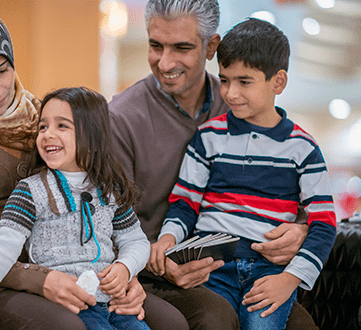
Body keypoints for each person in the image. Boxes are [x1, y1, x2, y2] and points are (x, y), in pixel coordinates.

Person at [0, 4, 187, 330]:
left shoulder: (44, 121)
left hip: (72, 273)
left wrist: (123, 274)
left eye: (3, 70)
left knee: (170, 322)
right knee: (68, 326)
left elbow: (104, 221)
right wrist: (40, 279)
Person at [109, 0, 319, 329]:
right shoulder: (120, 118)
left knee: (302, 325)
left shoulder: (241, 101)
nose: (165, 62)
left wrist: (299, 230)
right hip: (149, 272)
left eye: (181, 47)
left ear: (211, 46)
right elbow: (102, 223)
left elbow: (293, 188)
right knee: (215, 317)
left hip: (245, 264)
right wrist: (159, 262)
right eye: (155, 46)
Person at [0, 87, 152, 330]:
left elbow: (136, 241)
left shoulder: (109, 189)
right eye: (43, 126)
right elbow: (1, 251)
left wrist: (126, 267)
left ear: (93, 137)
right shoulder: (30, 191)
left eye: (62, 126)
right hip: (69, 304)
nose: (47, 134)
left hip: (114, 302)